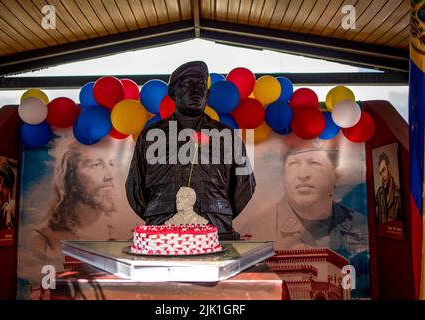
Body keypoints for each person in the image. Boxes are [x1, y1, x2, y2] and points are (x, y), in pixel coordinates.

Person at [126, 61, 256, 240]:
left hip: (216, 230)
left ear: (208, 94)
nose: (196, 91)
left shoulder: (228, 137)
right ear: (172, 93)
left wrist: (218, 209)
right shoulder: (150, 137)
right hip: (162, 231)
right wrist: (158, 210)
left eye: (201, 85)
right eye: (188, 84)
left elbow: (245, 186)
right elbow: (135, 188)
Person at [266, 138, 367, 257]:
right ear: (284, 176)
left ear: (336, 174)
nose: (303, 175)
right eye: (294, 164)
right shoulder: (260, 228)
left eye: (314, 163)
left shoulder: (359, 225)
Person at [33, 138, 119, 258]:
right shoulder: (45, 239)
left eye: (111, 164)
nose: (110, 176)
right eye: (96, 165)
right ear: (70, 177)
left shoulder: (117, 233)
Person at [375, 152, 402, 224]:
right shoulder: (379, 194)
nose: (382, 176)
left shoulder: (399, 194)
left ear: (389, 168)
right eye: (380, 173)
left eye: (383, 170)